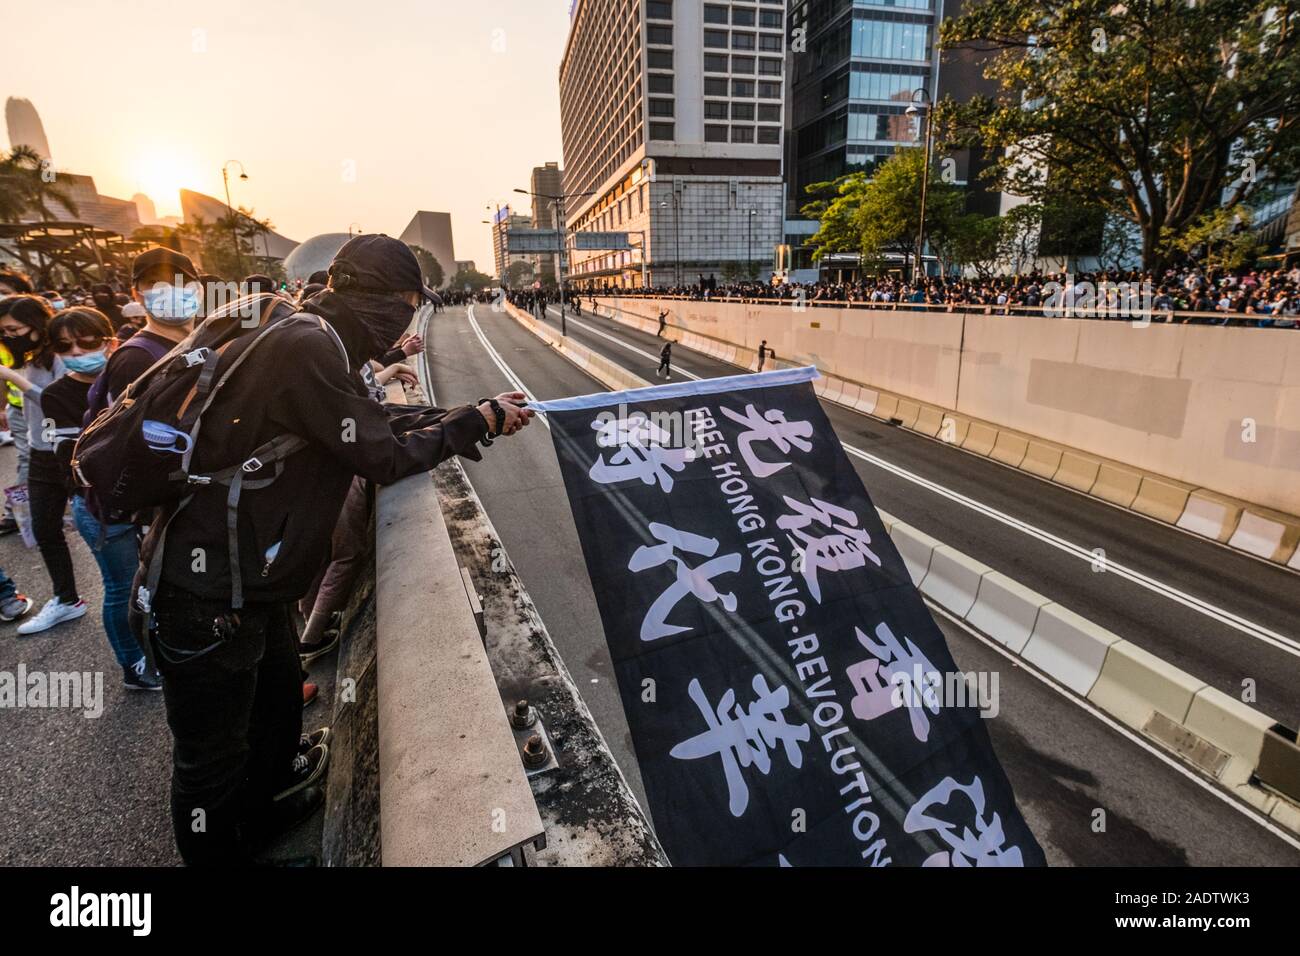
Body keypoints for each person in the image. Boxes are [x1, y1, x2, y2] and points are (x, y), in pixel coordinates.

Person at [142, 234, 533, 865]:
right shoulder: (307, 349)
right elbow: (380, 455)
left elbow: (365, 424)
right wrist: (476, 423)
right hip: (206, 590)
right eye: (406, 304)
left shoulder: (318, 338)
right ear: (374, 299)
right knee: (209, 765)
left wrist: (469, 413)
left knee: (273, 705)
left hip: (251, 583)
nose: (409, 319)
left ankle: (267, 815)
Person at [11, 307, 162, 688]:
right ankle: (134, 666)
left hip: (145, 501)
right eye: (66, 346)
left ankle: (156, 651)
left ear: (110, 341)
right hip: (100, 508)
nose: (78, 351)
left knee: (152, 585)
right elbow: (72, 461)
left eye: (88, 342)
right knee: (121, 588)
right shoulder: (57, 396)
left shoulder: (134, 374)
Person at [0, 296, 87, 635]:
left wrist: (12, 377)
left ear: (36, 325)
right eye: (4, 332)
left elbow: (58, 399)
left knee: (104, 532)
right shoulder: (31, 356)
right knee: (45, 528)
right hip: (40, 453)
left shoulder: (64, 355)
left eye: (14, 330)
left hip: (69, 452)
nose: (9, 337)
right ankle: (67, 599)